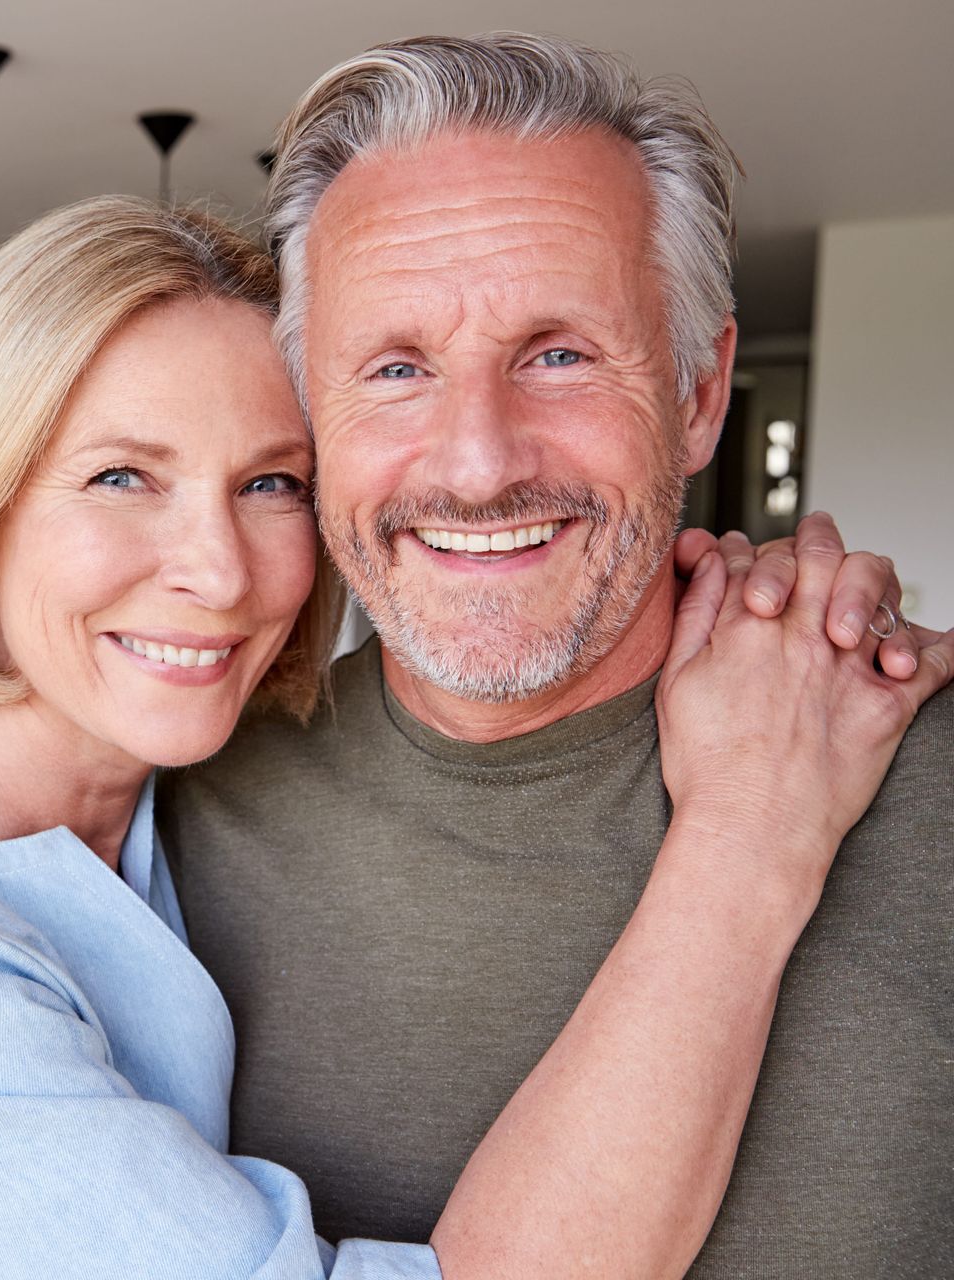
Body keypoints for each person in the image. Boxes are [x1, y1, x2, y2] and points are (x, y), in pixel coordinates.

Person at [0, 193, 948, 1278]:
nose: (220, 572)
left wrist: (750, 616)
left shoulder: (150, 788)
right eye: (122, 476)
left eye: (271, 481)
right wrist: (750, 824)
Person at [158, 32, 954, 1279]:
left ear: (700, 394)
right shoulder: (169, 814)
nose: (478, 463)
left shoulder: (927, 780)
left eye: (561, 354)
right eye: (397, 367)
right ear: (311, 410)